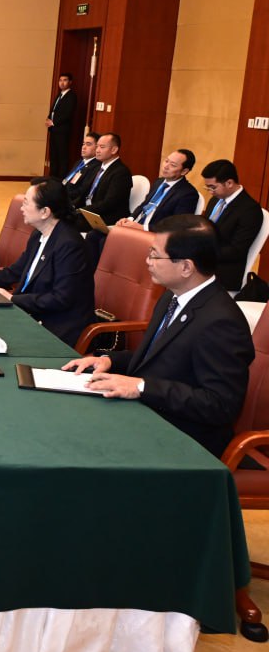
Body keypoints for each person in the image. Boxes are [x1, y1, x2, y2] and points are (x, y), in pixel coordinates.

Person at [63, 214, 254, 458]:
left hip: (184, 439)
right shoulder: (172, 296)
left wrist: (141, 387)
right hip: (149, 414)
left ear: (186, 267)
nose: (147, 261)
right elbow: (161, 358)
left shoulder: (221, 322)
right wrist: (110, 360)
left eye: (155, 255)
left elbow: (219, 404)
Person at [0, 177, 95, 347]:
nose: (21, 208)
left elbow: (60, 298)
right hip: (30, 313)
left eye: (26, 203)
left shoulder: (69, 244)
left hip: (57, 327)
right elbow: (14, 272)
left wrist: (12, 298)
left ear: (45, 212)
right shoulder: (39, 234)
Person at [200, 159, 263, 291]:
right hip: (204, 260)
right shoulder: (215, 200)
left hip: (223, 270)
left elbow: (236, 251)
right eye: (207, 187)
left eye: (213, 187)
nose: (210, 191)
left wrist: (202, 253)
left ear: (229, 183)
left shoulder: (250, 210)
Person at [115, 149, 199, 232]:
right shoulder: (159, 182)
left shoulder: (188, 194)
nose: (166, 166)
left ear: (184, 171)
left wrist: (143, 228)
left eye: (173, 165)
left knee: (111, 236)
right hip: (136, 226)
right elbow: (144, 204)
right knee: (110, 233)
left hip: (153, 233)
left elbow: (177, 225)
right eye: (166, 161)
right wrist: (130, 219)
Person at [75, 132, 133, 227]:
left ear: (114, 150)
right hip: (90, 212)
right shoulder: (98, 168)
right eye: (97, 146)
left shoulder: (121, 172)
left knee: (67, 224)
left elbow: (109, 203)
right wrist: (72, 208)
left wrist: (81, 211)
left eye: (102, 147)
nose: (97, 150)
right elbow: (83, 192)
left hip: (106, 217)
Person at [46, 73, 77, 178]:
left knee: (62, 156)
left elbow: (68, 113)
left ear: (70, 82)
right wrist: (48, 119)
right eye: (60, 80)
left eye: (65, 80)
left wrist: (54, 122)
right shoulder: (59, 95)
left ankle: (61, 179)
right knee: (53, 155)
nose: (62, 83)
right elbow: (54, 110)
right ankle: (52, 178)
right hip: (54, 130)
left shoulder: (71, 96)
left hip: (62, 131)